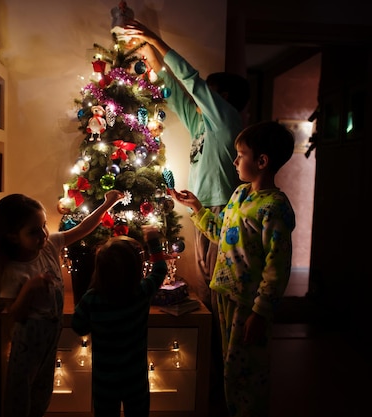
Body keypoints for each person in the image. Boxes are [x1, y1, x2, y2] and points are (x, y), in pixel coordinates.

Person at [125, 20, 250, 417]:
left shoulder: (228, 121)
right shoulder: (202, 124)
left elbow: (191, 81)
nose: (201, 98)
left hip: (223, 217)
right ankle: (214, 378)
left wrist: (156, 39)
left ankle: (226, 384)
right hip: (203, 213)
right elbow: (177, 95)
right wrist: (148, 57)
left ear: (224, 99)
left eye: (209, 95)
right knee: (208, 296)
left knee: (221, 296)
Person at [170, 120, 296, 417]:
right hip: (224, 293)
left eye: (241, 154)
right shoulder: (239, 194)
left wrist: (260, 312)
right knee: (229, 365)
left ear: (262, 161)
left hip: (248, 304)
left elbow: (277, 266)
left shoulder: (274, 207)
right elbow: (222, 234)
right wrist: (198, 209)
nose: (235, 160)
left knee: (247, 370)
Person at [0, 189, 124, 417]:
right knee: (20, 397)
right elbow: (16, 315)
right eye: (33, 231)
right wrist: (29, 288)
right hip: (28, 344)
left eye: (43, 226)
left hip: (51, 338)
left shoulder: (50, 246)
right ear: (12, 236)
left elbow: (82, 228)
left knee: (42, 395)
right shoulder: (13, 271)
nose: (42, 235)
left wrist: (106, 204)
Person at [71, 226, 168, 417]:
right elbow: (160, 270)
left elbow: (78, 326)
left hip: (104, 382)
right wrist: (153, 241)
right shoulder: (141, 292)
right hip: (136, 379)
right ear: (136, 268)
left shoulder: (91, 299)